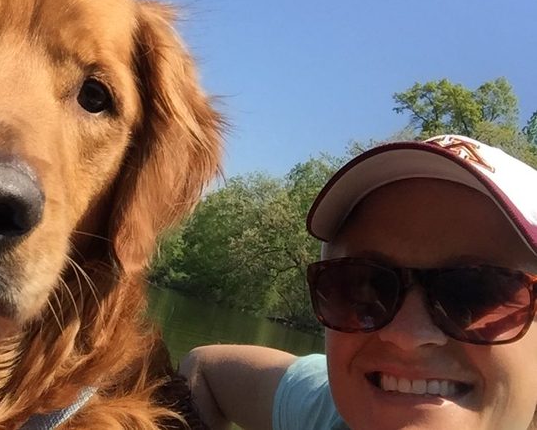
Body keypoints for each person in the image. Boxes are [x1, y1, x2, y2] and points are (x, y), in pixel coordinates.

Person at [179, 134, 537, 430]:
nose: (407, 336)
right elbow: (203, 371)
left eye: (474, 293)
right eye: (363, 287)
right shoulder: (326, 413)